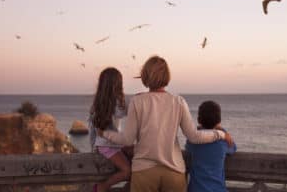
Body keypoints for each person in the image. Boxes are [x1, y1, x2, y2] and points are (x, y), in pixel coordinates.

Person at [98, 56, 233, 192]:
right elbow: (194, 136)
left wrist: (105, 133)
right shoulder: (178, 101)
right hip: (174, 171)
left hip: (144, 171)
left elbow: (127, 139)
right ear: (167, 76)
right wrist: (220, 134)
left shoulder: (137, 101)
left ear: (145, 76)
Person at [88, 67, 131, 192]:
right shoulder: (118, 102)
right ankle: (102, 187)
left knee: (137, 154)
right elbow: (124, 111)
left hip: (111, 144)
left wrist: (93, 146)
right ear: (118, 84)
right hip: (106, 146)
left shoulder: (97, 103)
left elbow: (91, 130)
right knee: (127, 171)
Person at [185, 101, 237, 192]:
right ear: (219, 121)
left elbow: (187, 146)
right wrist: (222, 130)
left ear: (199, 120)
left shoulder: (193, 142)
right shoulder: (222, 142)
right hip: (217, 189)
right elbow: (233, 147)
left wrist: (198, 130)